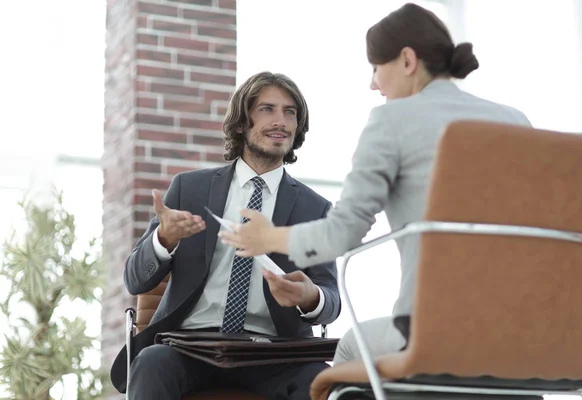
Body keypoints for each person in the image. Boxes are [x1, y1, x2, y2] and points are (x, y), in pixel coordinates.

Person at [219, 3, 531, 364]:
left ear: (407, 61)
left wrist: (267, 238)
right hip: (529, 331)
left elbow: (342, 233)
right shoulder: (515, 120)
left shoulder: (391, 120)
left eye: (376, 68)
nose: (373, 83)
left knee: (351, 349)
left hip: (435, 330)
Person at [109, 71, 342, 399]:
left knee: (321, 380)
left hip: (273, 354)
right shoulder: (190, 189)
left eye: (290, 112)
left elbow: (331, 300)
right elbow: (135, 281)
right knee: (151, 363)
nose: (281, 121)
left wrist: (310, 297)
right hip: (191, 347)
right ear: (240, 124)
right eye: (267, 109)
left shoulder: (315, 209)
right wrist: (164, 240)